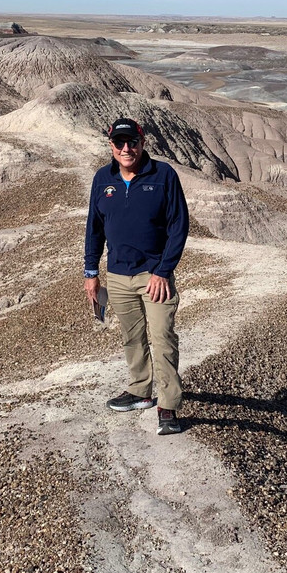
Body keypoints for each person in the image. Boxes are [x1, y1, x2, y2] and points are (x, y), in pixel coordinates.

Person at [84, 118, 189, 435]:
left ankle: (168, 407)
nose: (127, 149)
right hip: (117, 275)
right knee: (132, 338)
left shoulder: (163, 175)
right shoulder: (103, 179)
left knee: (163, 339)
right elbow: (94, 229)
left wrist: (163, 271)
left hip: (154, 277)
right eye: (120, 143)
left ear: (143, 143)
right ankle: (140, 391)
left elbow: (178, 227)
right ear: (111, 145)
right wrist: (92, 274)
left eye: (132, 142)